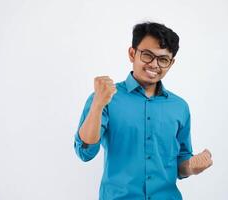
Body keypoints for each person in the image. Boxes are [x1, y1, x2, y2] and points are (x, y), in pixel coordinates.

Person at [74, 21, 213, 200]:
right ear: (132, 54)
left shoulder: (180, 107)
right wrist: (98, 105)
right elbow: (85, 153)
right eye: (147, 55)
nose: (154, 65)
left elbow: (180, 163)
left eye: (163, 59)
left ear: (171, 63)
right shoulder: (105, 97)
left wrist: (191, 167)